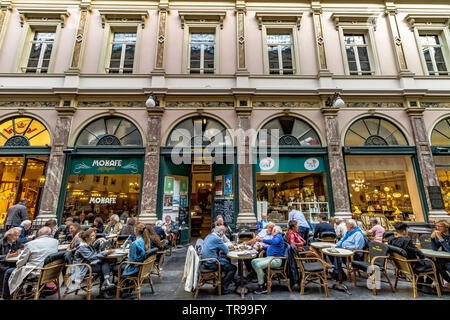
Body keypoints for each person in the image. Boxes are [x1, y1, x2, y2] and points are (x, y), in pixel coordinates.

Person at [6, 227, 58, 299]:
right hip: (50, 272)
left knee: (9, 271)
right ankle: (27, 292)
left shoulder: (30, 244)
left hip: (36, 273)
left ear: (38, 234)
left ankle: (6, 297)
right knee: (32, 265)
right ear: (49, 234)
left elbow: (20, 263)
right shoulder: (55, 242)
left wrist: (20, 264)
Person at [389, 222, 436, 294]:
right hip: (412, 266)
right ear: (404, 231)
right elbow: (418, 252)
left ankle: (420, 285)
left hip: (402, 265)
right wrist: (425, 257)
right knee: (435, 264)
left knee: (423, 262)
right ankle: (427, 286)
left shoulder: (391, 240)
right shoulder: (406, 241)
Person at [201, 226, 237, 294]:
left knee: (226, 262)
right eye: (222, 234)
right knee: (233, 268)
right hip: (211, 263)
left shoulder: (208, 236)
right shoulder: (217, 239)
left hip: (205, 261)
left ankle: (236, 280)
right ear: (220, 234)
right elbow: (226, 251)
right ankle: (223, 288)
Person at [252, 225, 285, 294]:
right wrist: (261, 247)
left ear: (275, 231)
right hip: (270, 258)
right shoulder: (275, 237)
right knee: (253, 261)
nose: (271, 230)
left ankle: (262, 286)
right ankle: (263, 277)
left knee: (258, 265)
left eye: (273, 229)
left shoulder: (278, 236)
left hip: (276, 260)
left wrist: (262, 240)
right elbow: (271, 246)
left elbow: (274, 242)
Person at [0, 227, 23, 298]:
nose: (17, 237)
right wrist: (8, 256)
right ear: (8, 235)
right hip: (2, 263)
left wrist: (20, 250)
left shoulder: (17, 240)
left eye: (18, 235)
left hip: (13, 262)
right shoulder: (1, 242)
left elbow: (21, 247)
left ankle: (17, 290)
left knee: (21, 269)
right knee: (5, 270)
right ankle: (4, 291)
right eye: (15, 235)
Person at [430, 220, 450, 292]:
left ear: (446, 227)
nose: (437, 228)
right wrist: (432, 238)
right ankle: (440, 287)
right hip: (446, 258)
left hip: (448, 259)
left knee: (444, 265)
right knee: (436, 265)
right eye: (436, 226)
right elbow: (435, 248)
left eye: (439, 226)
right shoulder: (441, 235)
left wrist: (441, 240)